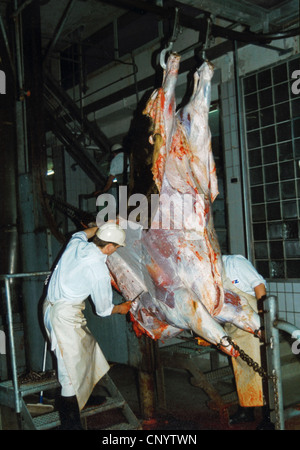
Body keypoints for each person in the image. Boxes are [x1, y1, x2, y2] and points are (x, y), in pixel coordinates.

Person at [43, 222, 131, 430]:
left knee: (88, 350)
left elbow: (81, 233)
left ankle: (81, 396)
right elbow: (102, 310)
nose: (116, 251)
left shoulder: (77, 244)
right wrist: (122, 308)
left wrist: (101, 226)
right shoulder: (98, 269)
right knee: (69, 373)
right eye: (117, 247)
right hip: (64, 317)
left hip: (51, 307)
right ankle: (70, 424)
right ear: (109, 247)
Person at [222, 254, 272, 428]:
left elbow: (258, 286)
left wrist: (264, 320)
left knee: (262, 371)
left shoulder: (234, 263)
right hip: (233, 328)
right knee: (243, 369)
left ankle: (269, 417)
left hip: (253, 322)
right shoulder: (208, 274)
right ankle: (247, 411)